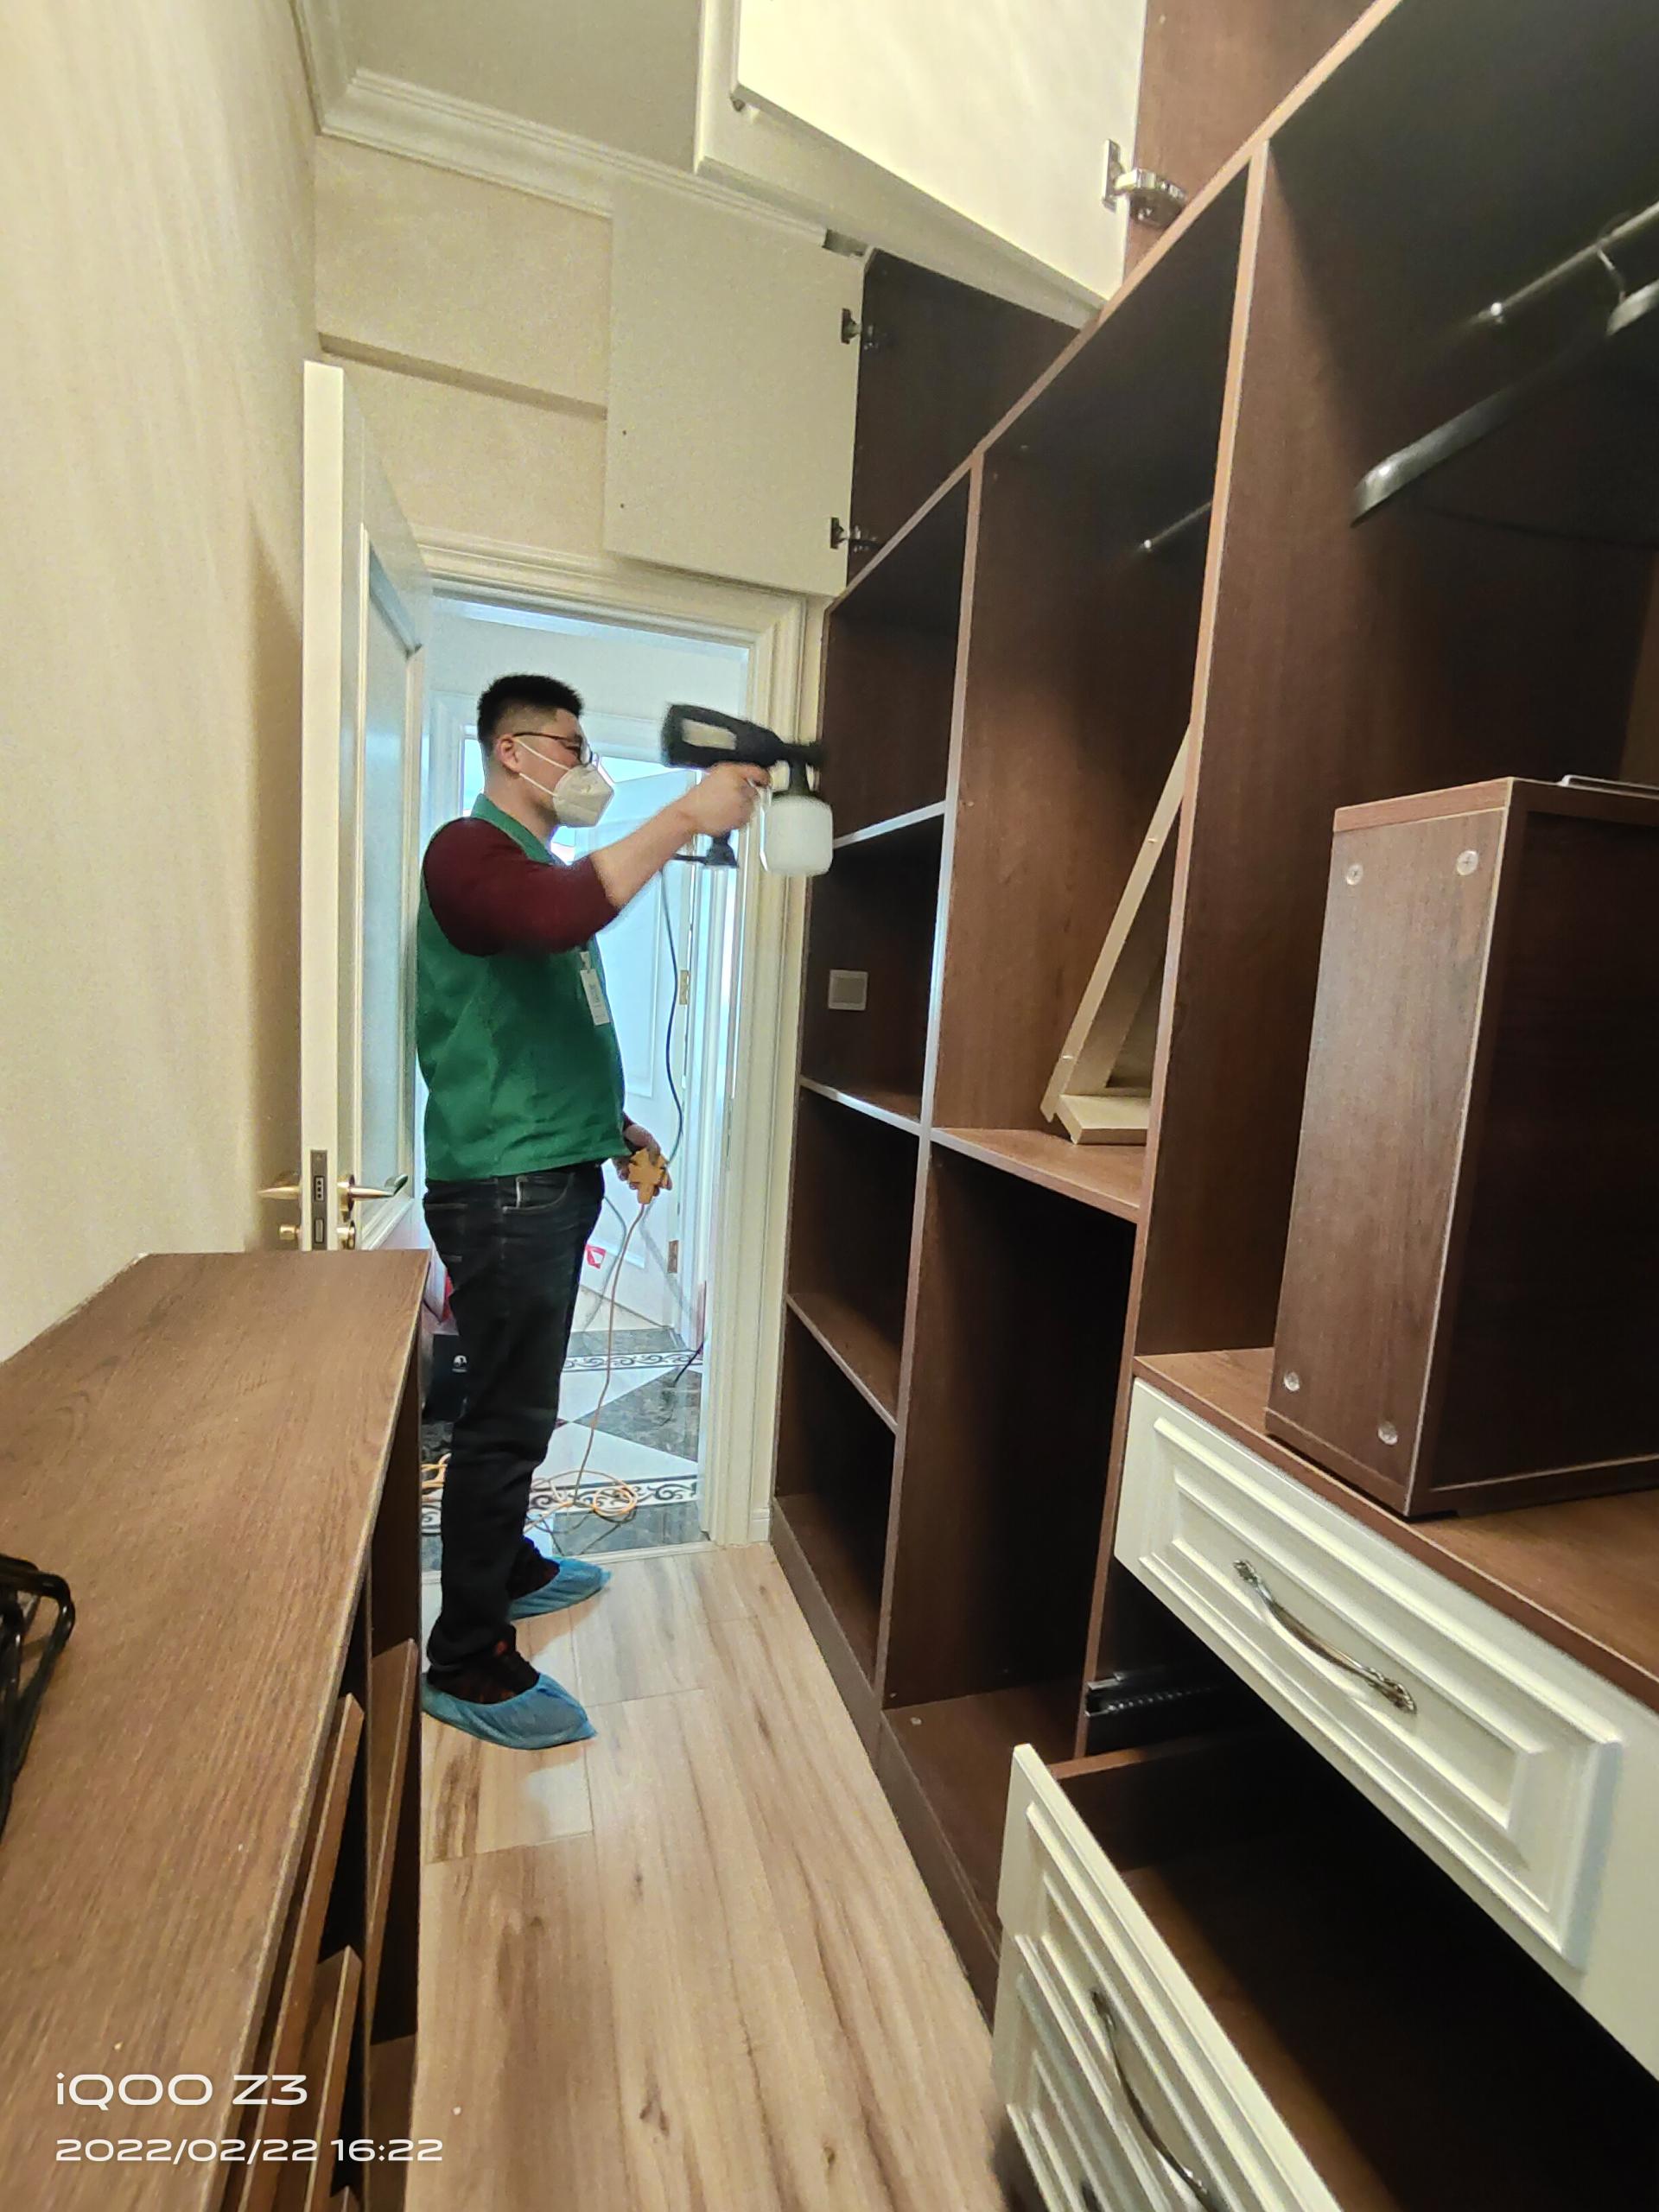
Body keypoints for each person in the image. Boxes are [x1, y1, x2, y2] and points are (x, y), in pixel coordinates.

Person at [416, 672, 764, 1748]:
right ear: (512, 750)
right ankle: (466, 1659)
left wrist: (612, 1123)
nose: (586, 766)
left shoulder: (530, 867)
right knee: (506, 1420)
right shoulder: (468, 854)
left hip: (548, 1168)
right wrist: (687, 814)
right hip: (505, 1186)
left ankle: (510, 1570)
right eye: (572, 747)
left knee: (522, 1404)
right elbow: (560, 912)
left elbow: (530, 1030)